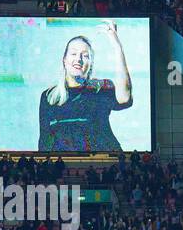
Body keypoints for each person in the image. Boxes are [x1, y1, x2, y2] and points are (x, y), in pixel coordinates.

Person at [38, 20, 133, 152]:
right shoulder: (49, 96)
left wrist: (117, 47)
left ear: (91, 64)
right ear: (64, 60)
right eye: (73, 53)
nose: (79, 59)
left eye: (85, 55)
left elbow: (125, 98)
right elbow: (44, 141)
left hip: (103, 163)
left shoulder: (100, 89)